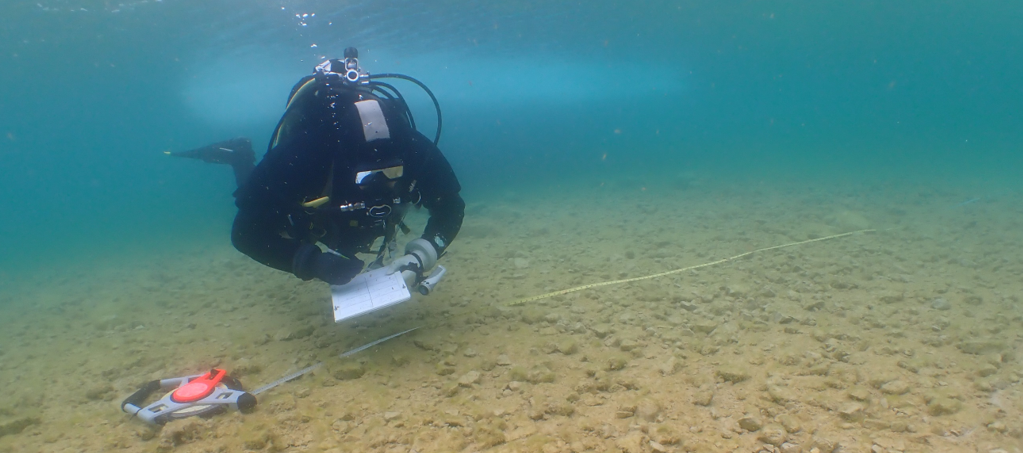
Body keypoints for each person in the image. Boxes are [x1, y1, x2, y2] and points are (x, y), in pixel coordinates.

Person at [171, 48, 464, 287]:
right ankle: (240, 156)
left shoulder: (412, 146)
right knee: (283, 222)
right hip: (314, 210)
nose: (383, 183)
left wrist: (422, 256)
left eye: (393, 173)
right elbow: (246, 232)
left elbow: (451, 205)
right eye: (371, 176)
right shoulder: (306, 155)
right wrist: (310, 260)